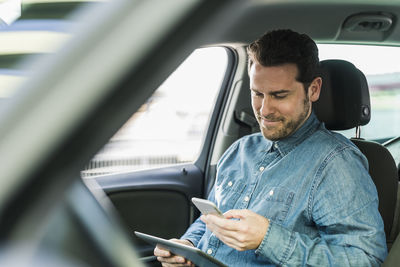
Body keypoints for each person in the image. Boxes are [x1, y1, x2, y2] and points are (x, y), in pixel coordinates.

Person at [154, 29, 387, 266]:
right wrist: (189, 246)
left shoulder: (336, 164)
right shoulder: (239, 151)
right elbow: (211, 221)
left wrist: (268, 238)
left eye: (279, 95)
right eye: (258, 93)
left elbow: (365, 259)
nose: (264, 110)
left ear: (313, 89)